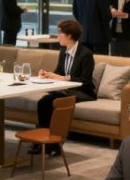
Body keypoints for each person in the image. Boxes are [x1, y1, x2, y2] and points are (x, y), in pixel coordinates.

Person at [34, 20, 96, 155]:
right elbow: (59, 73)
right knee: (43, 102)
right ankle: (42, 142)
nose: (58, 36)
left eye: (60, 33)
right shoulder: (63, 51)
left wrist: (64, 78)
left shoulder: (86, 54)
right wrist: (48, 74)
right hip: (66, 91)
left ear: (69, 35)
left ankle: (52, 144)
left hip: (83, 92)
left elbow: (85, 81)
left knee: (52, 102)